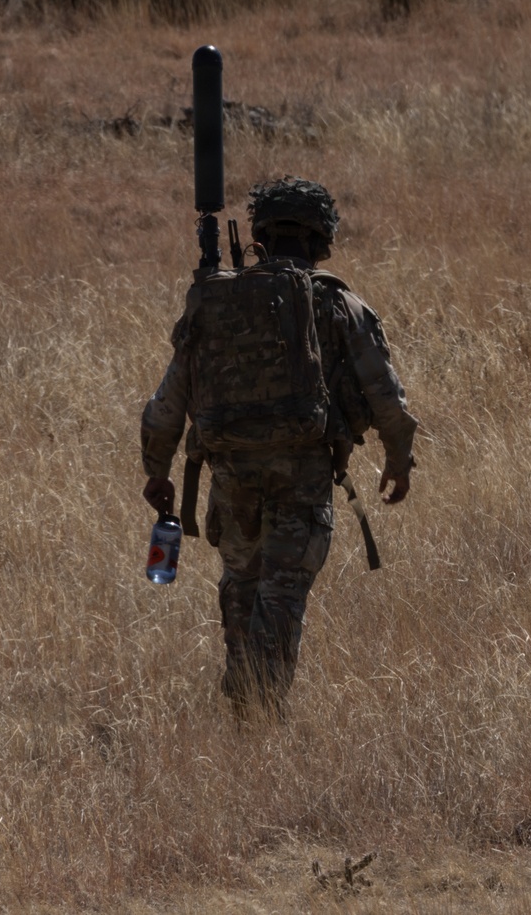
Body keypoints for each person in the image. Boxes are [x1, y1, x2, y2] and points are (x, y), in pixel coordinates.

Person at [140, 177, 417, 713]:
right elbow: (385, 393)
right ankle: (262, 712)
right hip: (303, 476)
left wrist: (157, 469)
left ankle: (245, 706)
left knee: (242, 588)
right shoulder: (337, 302)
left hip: (230, 477)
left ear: (260, 234)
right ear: (321, 240)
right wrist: (398, 461)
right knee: (283, 594)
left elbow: (168, 399)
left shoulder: (219, 301)